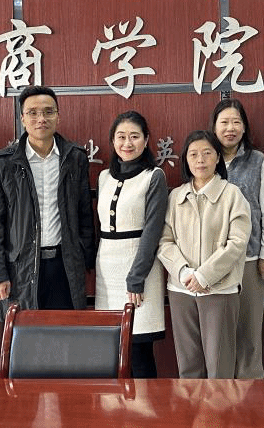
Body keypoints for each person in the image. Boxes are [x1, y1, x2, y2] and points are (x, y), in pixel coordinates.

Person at [0, 85, 95, 320]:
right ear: (22, 118)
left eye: (48, 112)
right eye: (33, 113)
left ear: (58, 116)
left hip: (65, 265)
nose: (41, 119)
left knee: (65, 332)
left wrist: (84, 256)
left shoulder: (75, 158)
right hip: (20, 267)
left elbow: (85, 214)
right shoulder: (1, 164)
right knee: (24, 335)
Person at [158, 130, 250, 378]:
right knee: (188, 365)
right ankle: (193, 407)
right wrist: (184, 272)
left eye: (207, 153)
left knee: (220, 366)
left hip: (219, 290)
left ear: (218, 157)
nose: (200, 160)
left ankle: (219, 407)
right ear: (186, 160)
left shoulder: (232, 195)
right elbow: (165, 241)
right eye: (193, 154)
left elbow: (237, 243)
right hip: (181, 289)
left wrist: (205, 276)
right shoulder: (176, 196)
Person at [95, 111, 168, 378]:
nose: (127, 143)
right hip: (107, 272)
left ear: (146, 140)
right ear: (113, 141)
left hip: (139, 271)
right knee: (112, 350)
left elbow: (152, 231)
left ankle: (147, 404)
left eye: (134, 137)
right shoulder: (103, 177)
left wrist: (136, 278)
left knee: (139, 351)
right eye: (121, 137)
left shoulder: (154, 176)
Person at [210, 98, 264, 379]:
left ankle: (251, 395)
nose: (230, 128)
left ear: (245, 127)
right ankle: (222, 396)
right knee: (220, 336)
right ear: (214, 127)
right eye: (224, 122)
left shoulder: (257, 160)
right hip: (212, 262)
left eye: (236, 122)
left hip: (249, 259)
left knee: (249, 334)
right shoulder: (205, 159)